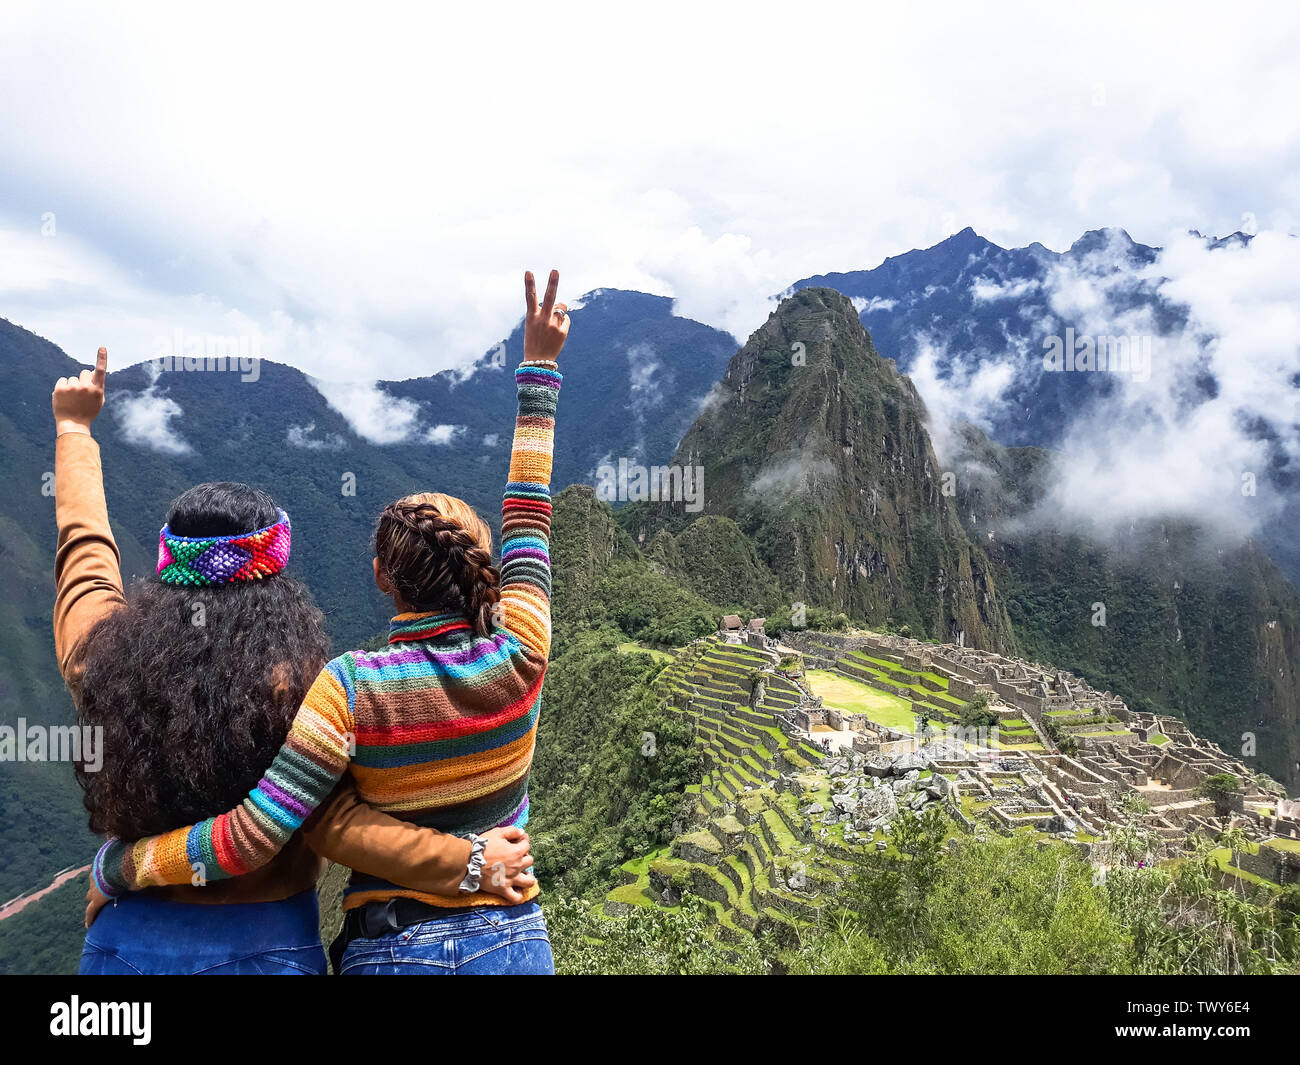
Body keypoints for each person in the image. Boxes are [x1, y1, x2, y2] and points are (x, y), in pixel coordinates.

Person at [87, 269, 568, 975]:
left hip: (396, 948)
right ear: (485, 570)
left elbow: (251, 837)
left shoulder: (348, 689)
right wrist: (541, 367)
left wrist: (119, 866)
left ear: (379, 577)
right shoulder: (523, 648)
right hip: (516, 940)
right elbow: (530, 505)